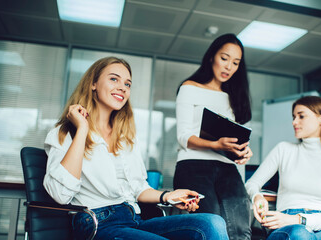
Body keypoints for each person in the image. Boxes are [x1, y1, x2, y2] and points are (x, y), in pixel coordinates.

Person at [43, 56, 229, 240]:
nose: (122, 88)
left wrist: (169, 196)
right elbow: (60, 195)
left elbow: (137, 188)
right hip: (96, 224)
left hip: (133, 218)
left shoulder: (125, 137)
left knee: (213, 224)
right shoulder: (65, 133)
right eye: (114, 79)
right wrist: (82, 129)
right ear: (93, 83)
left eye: (127, 84)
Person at [173, 33, 253, 240]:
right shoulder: (189, 88)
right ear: (212, 57)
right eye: (224, 58)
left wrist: (241, 152)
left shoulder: (232, 97)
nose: (229, 67)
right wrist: (215, 144)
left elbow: (232, 140)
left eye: (235, 63)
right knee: (211, 227)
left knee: (240, 230)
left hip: (228, 168)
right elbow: (183, 136)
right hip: (193, 165)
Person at [245, 96, 321, 240]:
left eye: (301, 116)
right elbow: (251, 184)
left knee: (306, 234)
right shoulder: (283, 150)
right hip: (286, 224)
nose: (294, 122)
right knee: (300, 234)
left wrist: (298, 219)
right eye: (294, 117)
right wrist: (257, 196)